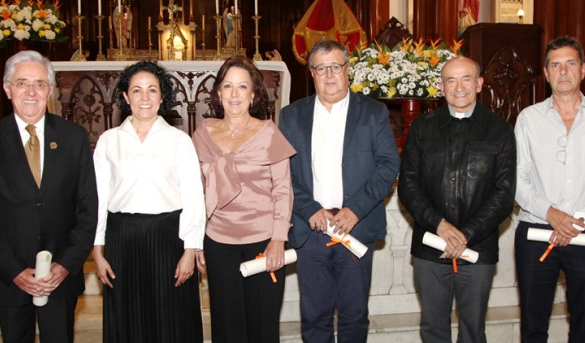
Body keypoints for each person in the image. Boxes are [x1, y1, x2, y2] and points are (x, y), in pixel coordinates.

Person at [0, 50, 98, 343]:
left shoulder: (74, 137)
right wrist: (15, 271)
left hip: (59, 277)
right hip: (10, 276)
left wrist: (65, 265)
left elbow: (88, 208)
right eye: (22, 83)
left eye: (39, 84)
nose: (31, 92)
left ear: (50, 91)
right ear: (6, 87)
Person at [279, 40, 400, 343]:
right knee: (315, 318)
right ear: (312, 74)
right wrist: (309, 210)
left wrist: (355, 209)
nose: (329, 74)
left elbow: (388, 165)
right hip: (312, 231)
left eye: (336, 66)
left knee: (354, 316)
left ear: (348, 70)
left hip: (354, 229)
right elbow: (283, 172)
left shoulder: (373, 113)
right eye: (321, 68)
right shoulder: (292, 116)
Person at [513, 36, 585, 342]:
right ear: (546, 73)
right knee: (533, 325)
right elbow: (517, 179)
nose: (563, 71)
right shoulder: (528, 119)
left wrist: (576, 220)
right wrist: (551, 214)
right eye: (555, 65)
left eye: (570, 63)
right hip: (537, 233)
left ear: (583, 70)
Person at [397, 55, 515, 343]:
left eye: (466, 79)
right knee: (433, 328)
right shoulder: (423, 127)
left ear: (479, 84)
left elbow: (504, 194)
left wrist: (466, 234)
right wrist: (440, 226)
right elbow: (408, 186)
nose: (458, 87)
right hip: (431, 248)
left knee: (473, 330)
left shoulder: (500, 130)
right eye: (451, 80)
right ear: (441, 86)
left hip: (479, 250)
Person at [91, 61, 205, 342]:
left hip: (168, 239)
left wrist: (190, 249)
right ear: (126, 97)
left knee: (172, 319)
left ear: (162, 96)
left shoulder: (179, 141)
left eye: (152, 90)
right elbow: (98, 197)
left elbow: (193, 196)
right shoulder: (109, 140)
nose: (145, 98)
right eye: (137, 90)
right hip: (122, 239)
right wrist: (97, 248)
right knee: (127, 318)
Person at [192, 55, 295, 343]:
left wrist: (278, 240)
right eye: (228, 86)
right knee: (226, 326)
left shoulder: (268, 133)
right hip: (218, 242)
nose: (234, 94)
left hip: (262, 241)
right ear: (218, 93)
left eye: (242, 87)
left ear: (253, 95)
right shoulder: (202, 135)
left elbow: (283, 190)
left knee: (262, 326)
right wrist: (196, 240)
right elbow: (196, 193)